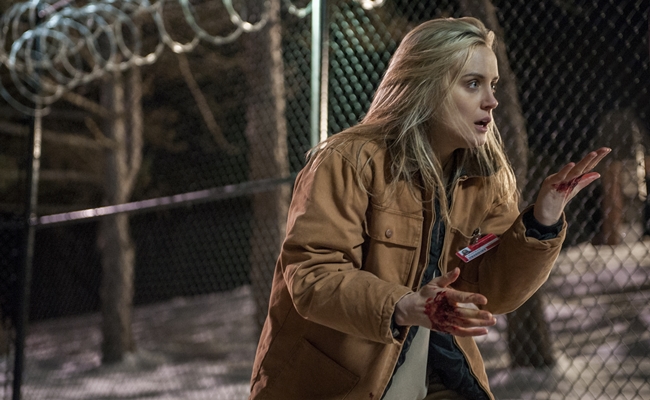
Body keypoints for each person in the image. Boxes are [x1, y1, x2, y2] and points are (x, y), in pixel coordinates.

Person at [249, 17, 610, 400]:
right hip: (339, 381)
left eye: (492, 84)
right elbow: (313, 276)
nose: (492, 100)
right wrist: (403, 306)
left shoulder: (482, 176)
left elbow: (496, 291)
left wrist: (543, 220)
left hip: (435, 371)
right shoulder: (349, 161)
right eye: (473, 84)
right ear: (426, 86)